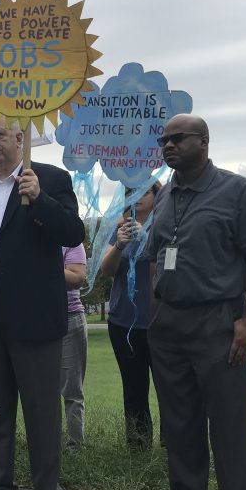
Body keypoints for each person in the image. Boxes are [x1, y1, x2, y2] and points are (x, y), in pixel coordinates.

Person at [142, 114, 246, 490]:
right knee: (178, 420)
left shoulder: (236, 191)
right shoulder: (165, 197)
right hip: (170, 325)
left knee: (230, 421)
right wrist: (155, 310)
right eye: (164, 140)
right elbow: (155, 255)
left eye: (177, 139)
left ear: (203, 141)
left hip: (218, 320)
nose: (168, 146)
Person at [0, 113, 85, 490]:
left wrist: (40, 201)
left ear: (21, 138)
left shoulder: (50, 178)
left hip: (35, 313)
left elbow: (72, 233)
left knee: (41, 411)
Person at [98, 182, 161, 449]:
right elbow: (106, 271)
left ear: (157, 196)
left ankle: (175, 448)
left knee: (170, 389)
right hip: (124, 322)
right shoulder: (121, 226)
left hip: (161, 322)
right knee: (134, 390)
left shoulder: (166, 225)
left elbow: (174, 264)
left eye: (144, 191)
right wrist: (119, 246)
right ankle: (138, 448)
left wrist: (149, 240)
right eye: (130, 193)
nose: (136, 197)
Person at [59, 243, 87, 450]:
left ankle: (75, 447)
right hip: (36, 320)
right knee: (41, 390)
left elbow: (77, 278)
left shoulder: (71, 240)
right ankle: (46, 445)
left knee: (72, 389)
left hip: (69, 318)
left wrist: (42, 264)